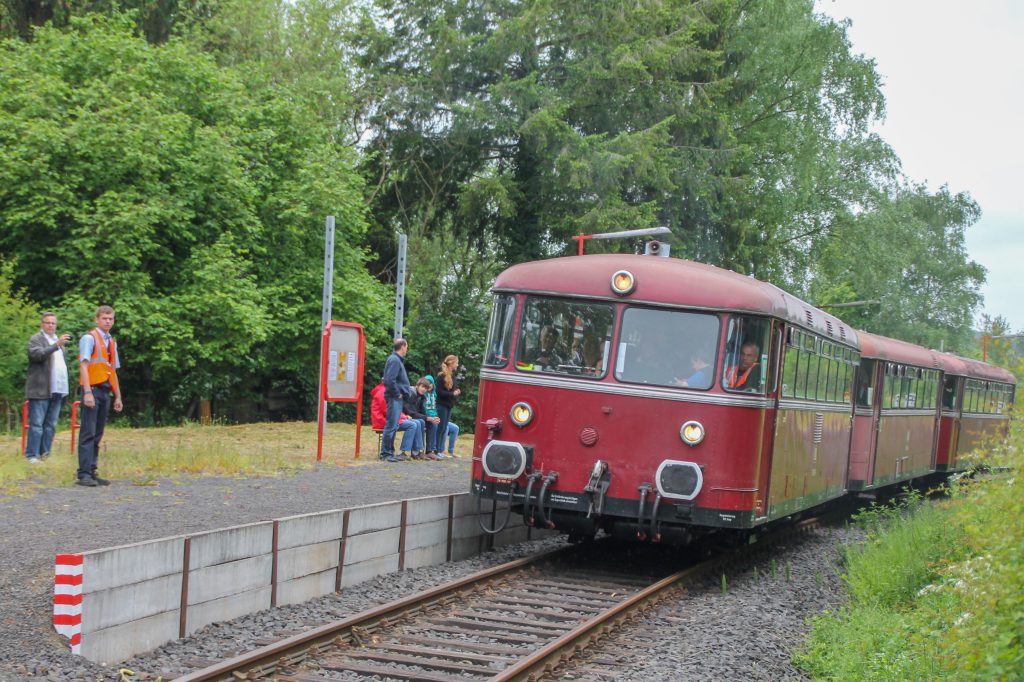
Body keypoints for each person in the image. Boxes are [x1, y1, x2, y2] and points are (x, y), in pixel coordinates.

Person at [77, 305, 123, 487]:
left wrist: (118, 396)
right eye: (104, 318)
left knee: (98, 432)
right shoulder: (90, 338)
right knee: (88, 432)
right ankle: (83, 473)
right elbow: (84, 365)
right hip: (93, 390)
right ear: (97, 319)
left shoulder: (111, 342)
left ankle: (92, 470)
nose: (108, 321)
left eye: (110, 318)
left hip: (105, 391)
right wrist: (87, 391)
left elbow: (113, 370)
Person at [24, 312, 71, 463]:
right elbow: (36, 355)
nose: (50, 325)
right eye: (47, 323)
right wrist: (55, 346)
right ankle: (32, 455)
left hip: (57, 389)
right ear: (42, 324)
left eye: (53, 323)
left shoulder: (58, 341)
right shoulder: (36, 339)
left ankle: (45, 454)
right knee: (37, 424)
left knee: (50, 425)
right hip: (40, 389)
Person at [381, 338, 415, 462]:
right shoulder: (395, 360)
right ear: (402, 346)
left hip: (396, 398)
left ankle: (390, 452)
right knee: (391, 425)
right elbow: (389, 380)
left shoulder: (396, 360)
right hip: (394, 398)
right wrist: (397, 394)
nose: (407, 349)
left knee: (394, 426)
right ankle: (386, 453)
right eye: (406, 346)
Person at [370, 382, 423, 460]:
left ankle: (416, 452)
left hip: (389, 419)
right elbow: (388, 410)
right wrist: (402, 418)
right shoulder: (383, 392)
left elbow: (394, 409)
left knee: (417, 422)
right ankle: (402, 452)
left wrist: (404, 416)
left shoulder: (387, 390)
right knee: (412, 425)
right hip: (382, 421)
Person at [403, 377, 441, 460]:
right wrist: (426, 418)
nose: (424, 389)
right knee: (421, 421)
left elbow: (422, 412)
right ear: (417, 385)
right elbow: (410, 412)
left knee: (433, 423)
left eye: (426, 388)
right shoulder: (411, 393)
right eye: (422, 387)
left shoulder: (421, 396)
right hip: (405, 416)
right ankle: (418, 451)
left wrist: (431, 418)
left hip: (415, 417)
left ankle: (430, 451)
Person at [435, 354, 461, 458]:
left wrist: (456, 391)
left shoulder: (452, 376)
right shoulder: (441, 376)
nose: (457, 365)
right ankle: (437, 450)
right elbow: (439, 392)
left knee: (445, 427)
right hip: (442, 405)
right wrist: (452, 394)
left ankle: (441, 450)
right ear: (451, 363)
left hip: (449, 406)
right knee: (441, 428)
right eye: (456, 363)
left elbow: (452, 389)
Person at [422, 374, 443, 457]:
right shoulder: (423, 394)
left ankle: (439, 450)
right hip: (425, 416)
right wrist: (429, 417)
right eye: (427, 383)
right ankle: (429, 450)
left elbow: (435, 408)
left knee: (445, 426)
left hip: (434, 416)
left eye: (431, 383)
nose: (429, 385)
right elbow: (422, 408)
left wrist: (436, 417)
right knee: (434, 424)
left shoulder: (435, 394)